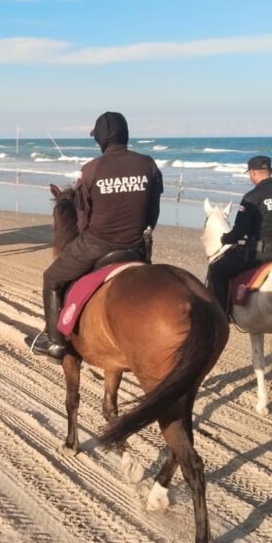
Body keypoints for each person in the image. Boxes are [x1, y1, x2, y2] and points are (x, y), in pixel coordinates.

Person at [28, 111, 163, 360]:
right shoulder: (148, 164)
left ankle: (55, 342)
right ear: (125, 134)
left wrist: (84, 236)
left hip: (97, 244)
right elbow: (153, 212)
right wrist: (141, 235)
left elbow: (82, 217)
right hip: (137, 246)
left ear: (101, 139)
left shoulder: (90, 170)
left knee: (52, 277)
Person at [205, 155, 272, 312]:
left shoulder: (251, 198)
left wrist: (225, 238)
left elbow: (239, 232)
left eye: (250, 173)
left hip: (260, 255)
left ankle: (221, 315)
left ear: (252, 173)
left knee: (217, 269)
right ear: (270, 171)